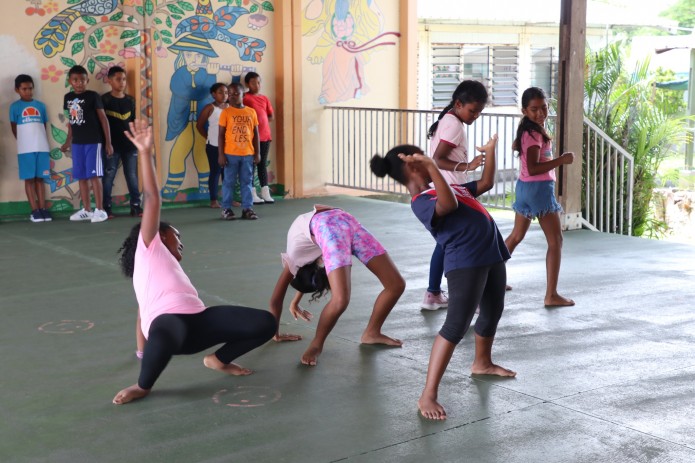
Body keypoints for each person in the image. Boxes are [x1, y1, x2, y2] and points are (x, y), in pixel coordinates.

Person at [113, 119, 276, 405]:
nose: (182, 244)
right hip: (169, 328)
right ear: (160, 235)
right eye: (177, 236)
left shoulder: (156, 273)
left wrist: (141, 350)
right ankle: (143, 385)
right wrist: (145, 152)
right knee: (163, 328)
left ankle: (218, 359)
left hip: (199, 324)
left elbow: (141, 311)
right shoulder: (149, 248)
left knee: (265, 323)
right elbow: (152, 199)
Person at [370, 136, 516, 421]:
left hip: (491, 253)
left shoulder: (446, 187)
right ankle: (428, 394)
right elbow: (447, 206)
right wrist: (433, 168)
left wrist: (490, 153)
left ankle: (482, 363)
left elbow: (484, 185)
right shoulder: (421, 201)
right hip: (466, 261)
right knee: (456, 325)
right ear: (413, 168)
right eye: (423, 159)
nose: (430, 162)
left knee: (492, 310)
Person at [268, 206, 405, 366]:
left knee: (340, 300)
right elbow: (304, 277)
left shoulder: (293, 258)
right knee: (396, 285)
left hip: (327, 225)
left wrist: (274, 333)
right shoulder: (305, 256)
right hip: (343, 218)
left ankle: (316, 345)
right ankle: (372, 333)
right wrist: (295, 301)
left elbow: (275, 300)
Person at [504, 87, 575, 308]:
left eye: (544, 107)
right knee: (556, 242)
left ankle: (489, 280)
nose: (540, 113)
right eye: (534, 109)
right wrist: (561, 160)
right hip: (539, 189)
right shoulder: (533, 133)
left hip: (524, 189)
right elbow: (535, 168)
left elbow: (522, 151)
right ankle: (551, 295)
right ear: (524, 110)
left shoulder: (527, 130)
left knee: (516, 236)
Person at [421, 80, 487, 311]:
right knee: (463, 245)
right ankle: (467, 298)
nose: (475, 116)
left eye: (479, 112)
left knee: (445, 244)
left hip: (448, 191)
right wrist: (467, 166)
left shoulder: (449, 119)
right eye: (473, 111)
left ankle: (433, 293)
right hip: (453, 193)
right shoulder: (454, 125)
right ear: (458, 104)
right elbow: (438, 160)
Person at [61, 65, 112, 223]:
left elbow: (103, 119)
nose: (79, 83)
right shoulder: (68, 98)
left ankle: (100, 210)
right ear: (70, 81)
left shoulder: (93, 96)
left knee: (94, 176)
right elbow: (71, 123)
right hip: (77, 144)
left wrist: (108, 143)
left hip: (93, 142)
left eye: (82, 80)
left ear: (87, 80)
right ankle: (87, 210)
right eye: (75, 80)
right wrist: (67, 142)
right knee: (81, 177)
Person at [9, 74, 52, 223]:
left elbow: (43, 126)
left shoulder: (40, 106)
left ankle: (43, 208)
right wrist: (24, 142)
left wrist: (39, 140)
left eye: (30, 88)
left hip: (42, 147)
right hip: (25, 149)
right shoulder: (15, 107)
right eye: (24, 89)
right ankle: (34, 211)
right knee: (29, 179)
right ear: (17, 90)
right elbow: (14, 128)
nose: (28, 92)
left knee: (40, 178)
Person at [101, 65, 141, 218]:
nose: (122, 82)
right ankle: (106, 207)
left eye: (124, 79)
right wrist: (106, 143)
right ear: (109, 81)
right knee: (108, 175)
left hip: (130, 145)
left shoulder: (130, 101)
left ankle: (136, 205)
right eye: (118, 79)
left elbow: (134, 121)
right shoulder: (104, 100)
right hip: (112, 146)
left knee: (131, 175)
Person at [218, 82, 260, 220]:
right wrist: (221, 154)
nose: (233, 97)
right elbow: (220, 134)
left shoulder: (251, 112)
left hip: (248, 154)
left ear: (243, 95)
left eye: (236, 94)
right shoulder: (226, 112)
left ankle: (247, 208)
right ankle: (226, 209)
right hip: (231, 154)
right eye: (230, 94)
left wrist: (257, 152)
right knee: (228, 182)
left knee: (246, 182)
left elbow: (256, 133)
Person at [243, 71, 275, 204]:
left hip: (266, 136)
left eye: (258, 82)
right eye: (253, 82)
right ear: (247, 84)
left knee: (262, 164)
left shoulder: (264, 98)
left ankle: (265, 192)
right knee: (252, 165)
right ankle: (252, 194)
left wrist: (262, 123)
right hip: (251, 138)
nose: (257, 85)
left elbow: (270, 116)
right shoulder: (245, 97)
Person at [196, 83, 229, 208]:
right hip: (213, 146)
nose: (224, 95)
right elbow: (199, 125)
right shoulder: (210, 108)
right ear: (213, 94)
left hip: (229, 147)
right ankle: (213, 200)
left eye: (226, 92)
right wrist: (208, 138)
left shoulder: (230, 107)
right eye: (220, 92)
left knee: (228, 174)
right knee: (215, 172)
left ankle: (228, 199)